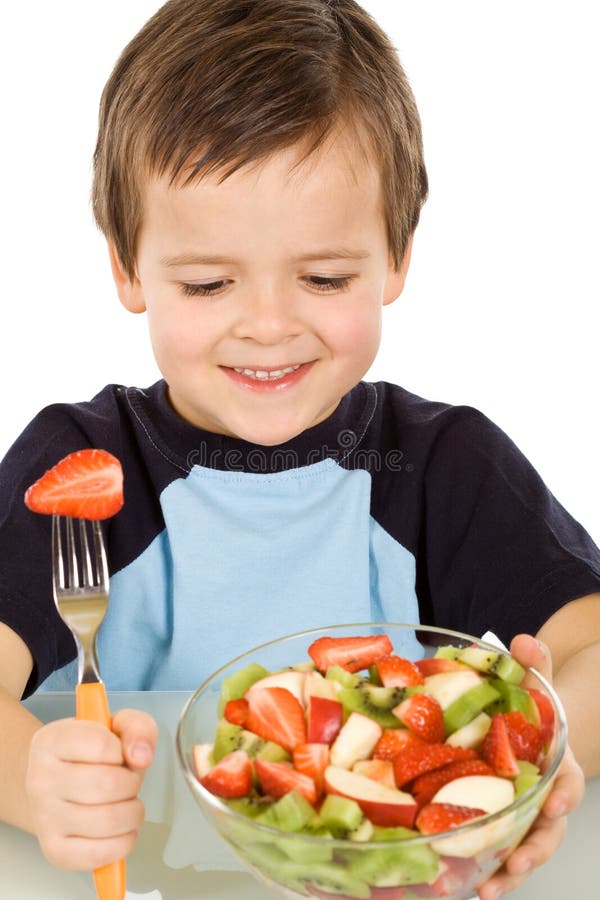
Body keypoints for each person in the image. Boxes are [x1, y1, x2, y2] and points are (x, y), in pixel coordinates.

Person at [0, 0, 598, 896]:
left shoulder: (447, 465)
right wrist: (33, 782)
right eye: (207, 282)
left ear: (396, 256)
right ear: (127, 267)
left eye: (324, 277)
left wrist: (532, 758)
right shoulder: (83, 467)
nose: (270, 326)